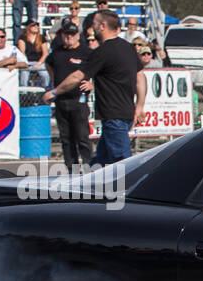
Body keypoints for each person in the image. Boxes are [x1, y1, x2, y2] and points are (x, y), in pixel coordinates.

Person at [44, 10, 145, 167]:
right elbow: (140, 77)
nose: (92, 29)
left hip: (114, 116)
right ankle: (90, 187)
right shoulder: (128, 48)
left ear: (103, 26)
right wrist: (139, 106)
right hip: (124, 113)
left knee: (124, 163)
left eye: (94, 25)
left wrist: (54, 91)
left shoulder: (103, 51)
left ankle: (131, 190)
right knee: (99, 163)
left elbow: (77, 76)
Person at [44, 23, 92, 170]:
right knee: (66, 139)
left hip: (78, 100)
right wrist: (55, 83)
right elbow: (48, 64)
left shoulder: (86, 52)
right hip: (61, 100)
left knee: (82, 137)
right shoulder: (57, 53)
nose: (69, 37)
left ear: (77, 35)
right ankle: (72, 170)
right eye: (66, 34)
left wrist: (92, 84)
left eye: (72, 34)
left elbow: (100, 69)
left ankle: (89, 168)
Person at [18, 19, 48, 86]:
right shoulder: (23, 38)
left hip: (39, 62)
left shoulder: (41, 38)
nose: (36, 26)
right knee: (24, 73)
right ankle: (24, 93)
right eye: (34, 25)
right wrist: (26, 63)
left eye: (37, 25)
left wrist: (39, 63)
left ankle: (45, 91)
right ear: (29, 27)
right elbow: (22, 53)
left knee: (45, 74)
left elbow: (45, 53)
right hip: (27, 61)